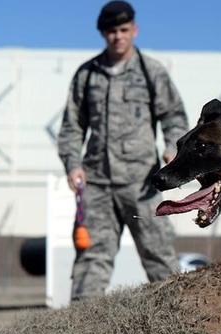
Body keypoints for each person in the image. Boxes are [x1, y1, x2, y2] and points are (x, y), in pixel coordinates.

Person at [57, 1, 188, 300]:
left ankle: (179, 327)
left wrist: (172, 150)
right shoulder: (86, 75)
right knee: (91, 261)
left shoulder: (151, 72)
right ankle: (80, 333)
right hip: (97, 185)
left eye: (124, 30)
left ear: (135, 30)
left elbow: (174, 117)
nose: (118, 36)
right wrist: (72, 164)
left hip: (141, 184)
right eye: (112, 31)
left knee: (160, 257)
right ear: (103, 34)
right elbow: (71, 127)